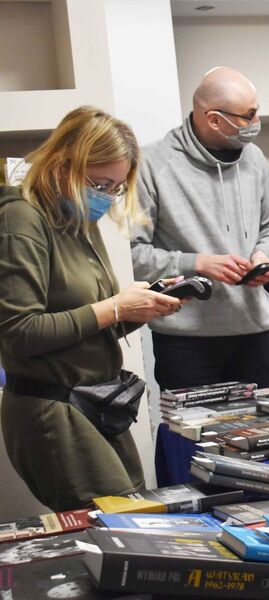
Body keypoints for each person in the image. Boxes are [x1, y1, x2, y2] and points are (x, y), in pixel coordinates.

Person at [0, 107, 183, 510]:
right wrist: (115, 308)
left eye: (114, 188)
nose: (105, 196)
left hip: (95, 405)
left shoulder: (76, 220)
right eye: (98, 183)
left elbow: (84, 326)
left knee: (137, 515)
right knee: (122, 527)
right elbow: (19, 332)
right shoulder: (21, 218)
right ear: (64, 163)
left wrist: (137, 309)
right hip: (52, 411)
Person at [131, 66, 269, 391]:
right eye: (249, 115)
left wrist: (263, 256)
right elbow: (133, 254)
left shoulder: (255, 159)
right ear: (214, 119)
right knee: (194, 442)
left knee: (266, 438)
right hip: (186, 342)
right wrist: (198, 264)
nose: (256, 123)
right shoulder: (152, 165)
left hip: (256, 331)